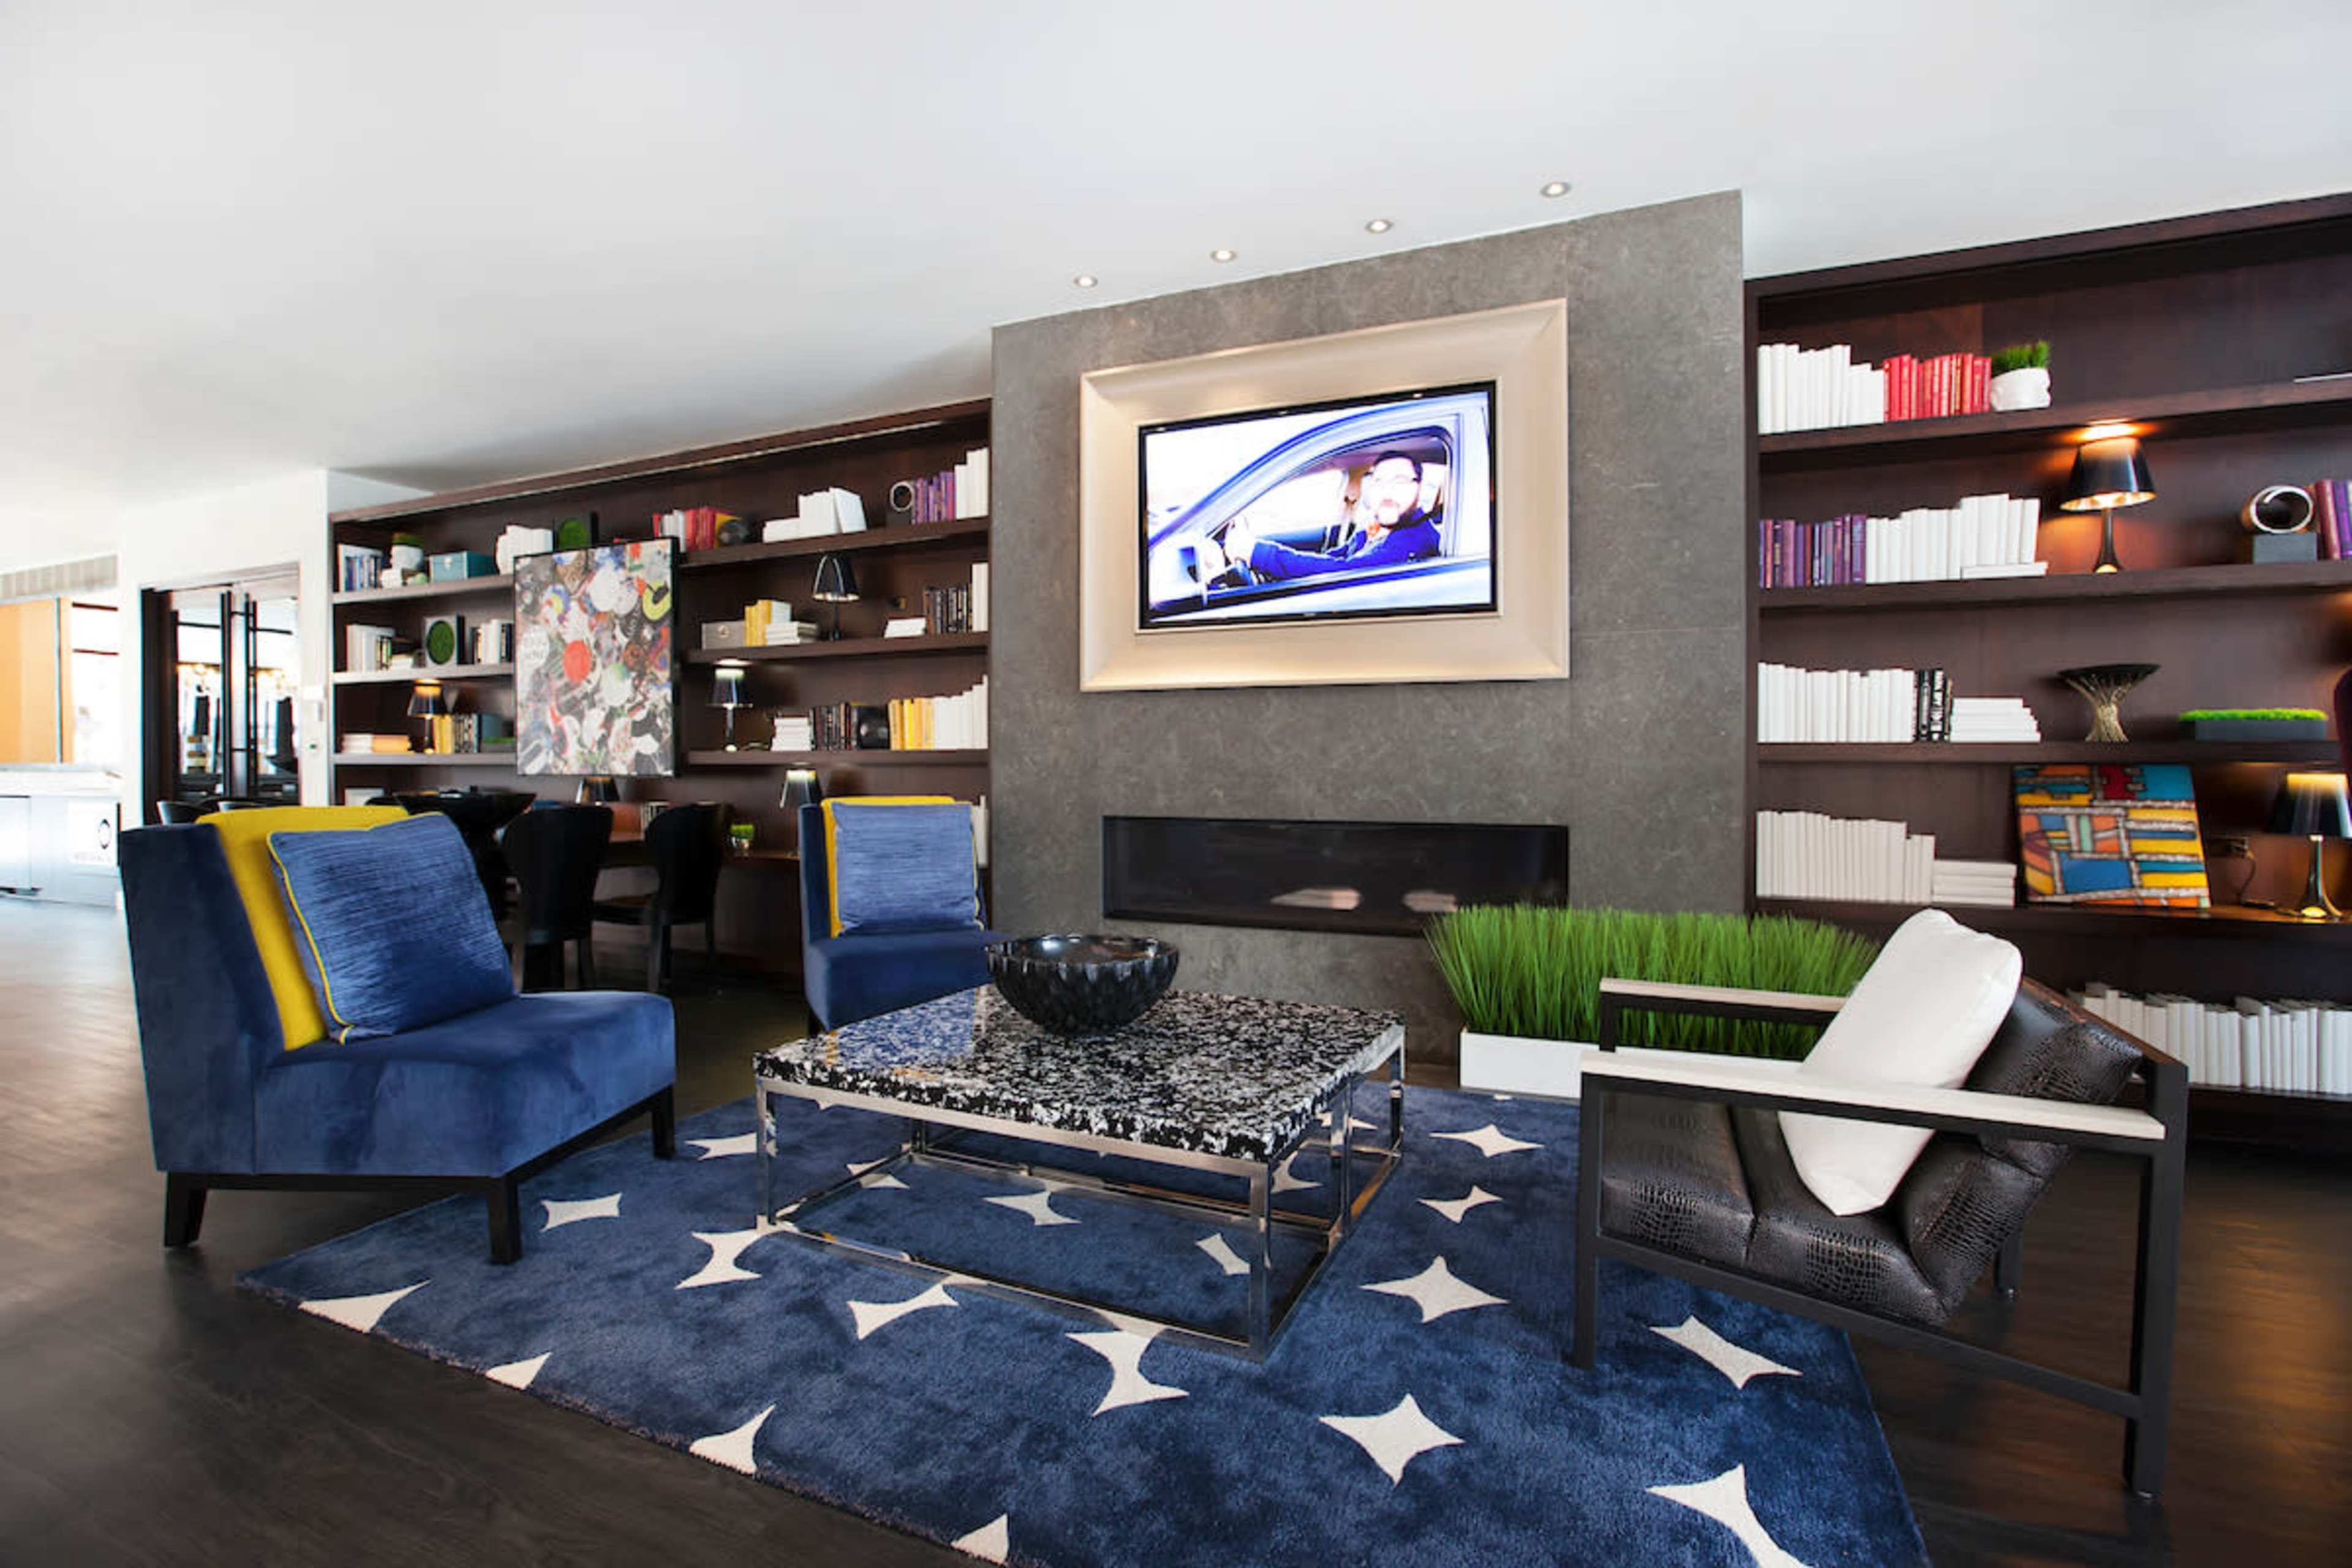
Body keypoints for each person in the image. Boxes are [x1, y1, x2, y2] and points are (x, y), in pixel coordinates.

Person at [1226, 450, 1441, 581]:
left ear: (1419, 489)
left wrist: (1259, 553)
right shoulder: (1382, 527)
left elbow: (1347, 571)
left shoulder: (1416, 540)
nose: (1387, 491)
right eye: (1379, 481)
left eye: (1400, 481)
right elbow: (1336, 557)